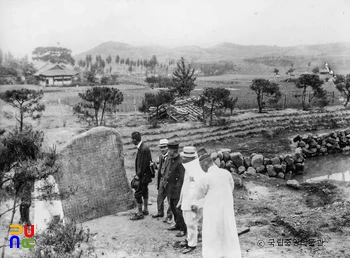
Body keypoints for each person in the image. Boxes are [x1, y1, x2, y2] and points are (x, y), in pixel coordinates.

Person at [192, 153, 242, 258]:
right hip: (226, 211)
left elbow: (198, 195)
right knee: (228, 234)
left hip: (212, 214)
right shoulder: (226, 173)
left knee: (212, 237)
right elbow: (231, 188)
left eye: (201, 166)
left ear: (204, 164)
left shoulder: (205, 178)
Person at [130, 131, 153, 221]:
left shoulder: (143, 149)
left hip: (143, 175)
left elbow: (143, 164)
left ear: (135, 140)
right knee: (145, 191)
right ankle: (145, 210)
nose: (131, 141)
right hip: (146, 175)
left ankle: (140, 213)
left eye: (132, 139)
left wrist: (138, 175)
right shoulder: (143, 147)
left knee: (138, 193)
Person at [166, 142, 186, 237]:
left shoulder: (180, 162)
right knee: (173, 208)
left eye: (169, 150)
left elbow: (182, 178)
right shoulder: (172, 160)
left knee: (179, 210)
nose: (168, 151)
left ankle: (183, 229)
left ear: (173, 151)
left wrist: (177, 189)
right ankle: (177, 224)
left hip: (177, 191)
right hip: (171, 189)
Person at [152, 138, 173, 223]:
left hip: (168, 181)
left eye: (164, 147)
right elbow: (161, 168)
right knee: (160, 196)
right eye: (161, 147)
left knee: (169, 199)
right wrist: (155, 166)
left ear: (168, 147)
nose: (162, 149)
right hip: (161, 180)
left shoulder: (171, 157)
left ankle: (169, 216)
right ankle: (160, 212)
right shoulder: (161, 157)